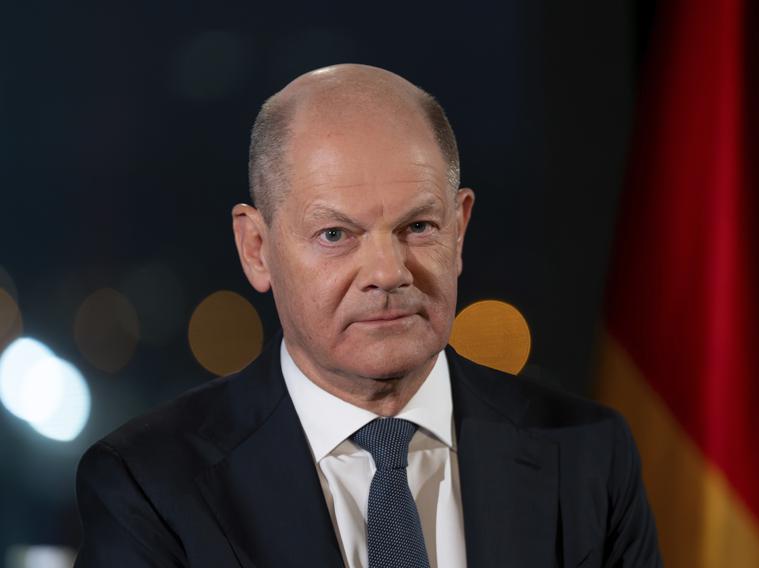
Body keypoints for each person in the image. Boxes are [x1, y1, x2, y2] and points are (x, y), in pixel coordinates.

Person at [74, 64, 662, 567]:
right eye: (335, 234)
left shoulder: (588, 456)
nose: (388, 271)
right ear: (257, 248)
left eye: (418, 227)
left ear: (459, 230)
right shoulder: (148, 485)